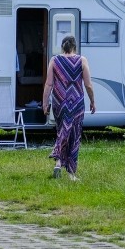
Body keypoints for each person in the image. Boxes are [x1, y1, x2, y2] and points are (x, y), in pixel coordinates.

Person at [42, 35, 95, 181]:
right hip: (76, 102)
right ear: (74, 46)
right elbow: (88, 85)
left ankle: (58, 163)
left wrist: (45, 103)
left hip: (59, 101)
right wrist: (92, 101)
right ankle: (71, 173)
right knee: (74, 135)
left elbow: (48, 84)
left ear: (62, 46)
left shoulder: (54, 60)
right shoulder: (81, 60)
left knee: (62, 131)